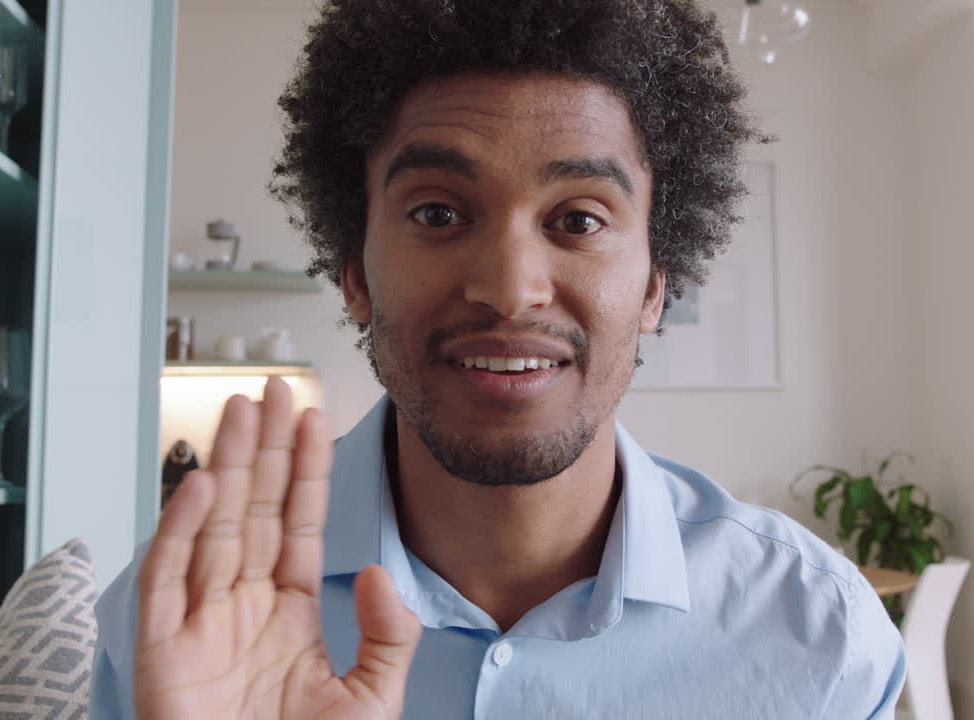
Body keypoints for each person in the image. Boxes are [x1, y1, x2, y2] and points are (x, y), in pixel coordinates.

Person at [90, 1, 906, 718]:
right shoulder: (181, 616)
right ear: (355, 276)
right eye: (439, 212)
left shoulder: (818, 631)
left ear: (657, 287)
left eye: (579, 220)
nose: (511, 290)